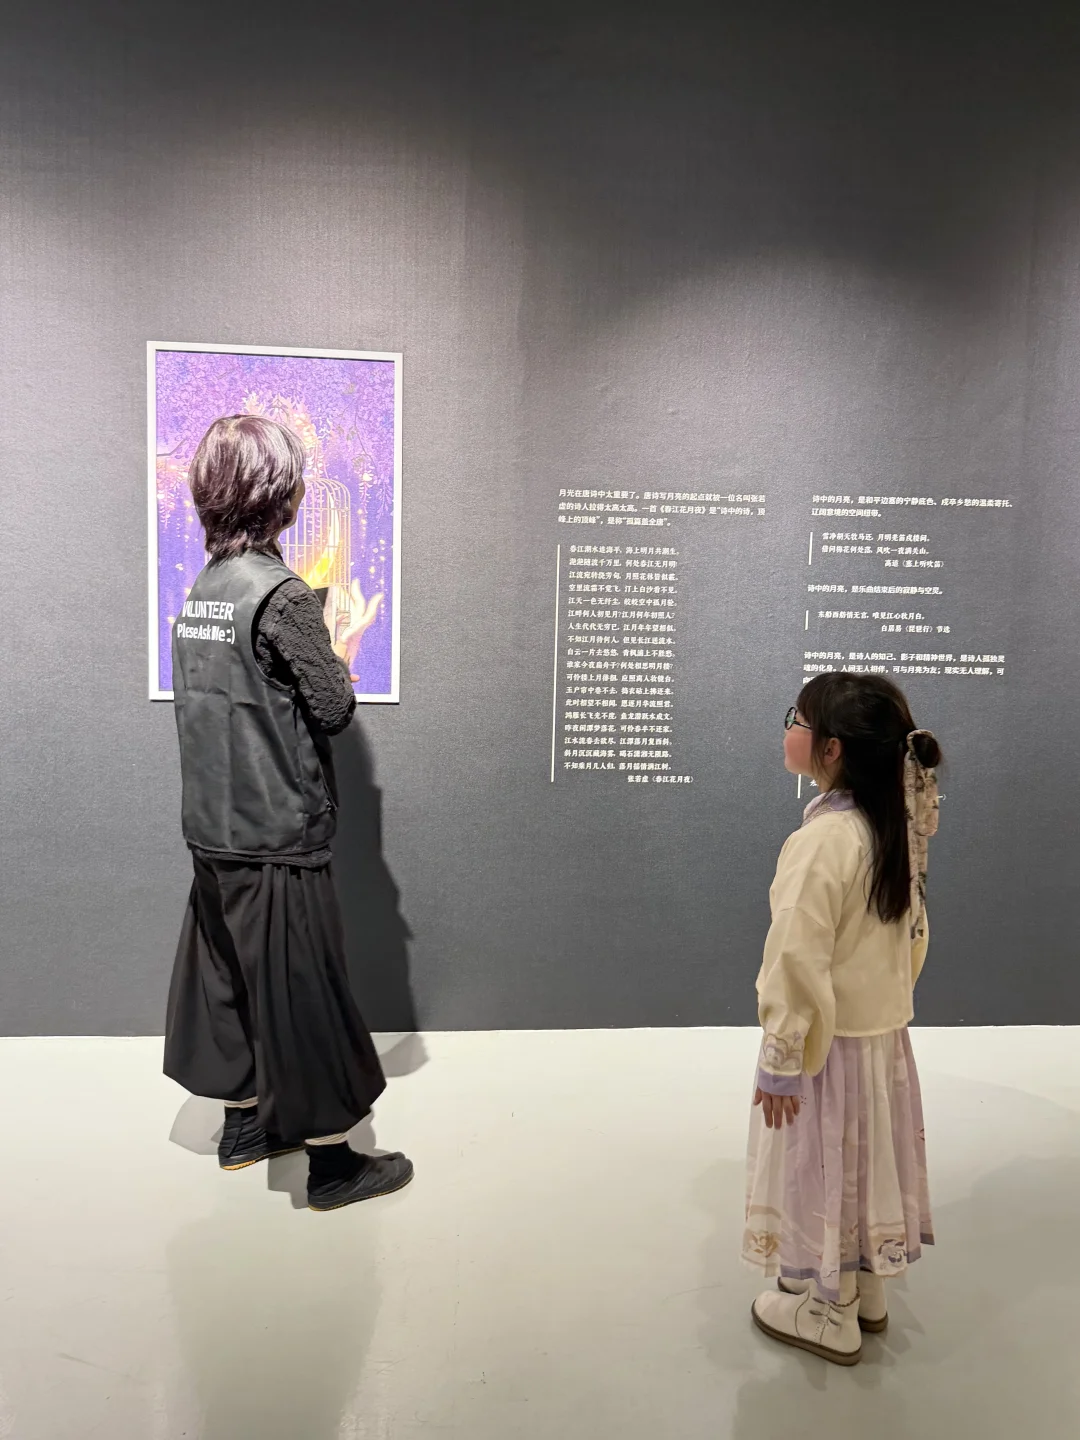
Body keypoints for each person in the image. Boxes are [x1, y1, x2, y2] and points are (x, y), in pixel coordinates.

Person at [163, 413, 414, 1212]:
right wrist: (343, 644)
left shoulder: (202, 592)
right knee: (305, 993)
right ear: (280, 494)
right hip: (278, 833)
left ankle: (244, 1129)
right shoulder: (282, 595)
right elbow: (333, 709)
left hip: (213, 829)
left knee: (228, 980)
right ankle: (334, 1166)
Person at [742, 672, 941, 1365]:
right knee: (865, 1160)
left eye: (796, 720)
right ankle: (865, 1288)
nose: (787, 730)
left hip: (827, 1049)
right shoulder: (889, 826)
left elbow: (796, 951)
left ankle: (831, 1310)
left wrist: (782, 1049)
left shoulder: (826, 839)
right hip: (879, 1039)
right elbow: (913, 937)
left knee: (825, 1165)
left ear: (830, 750)